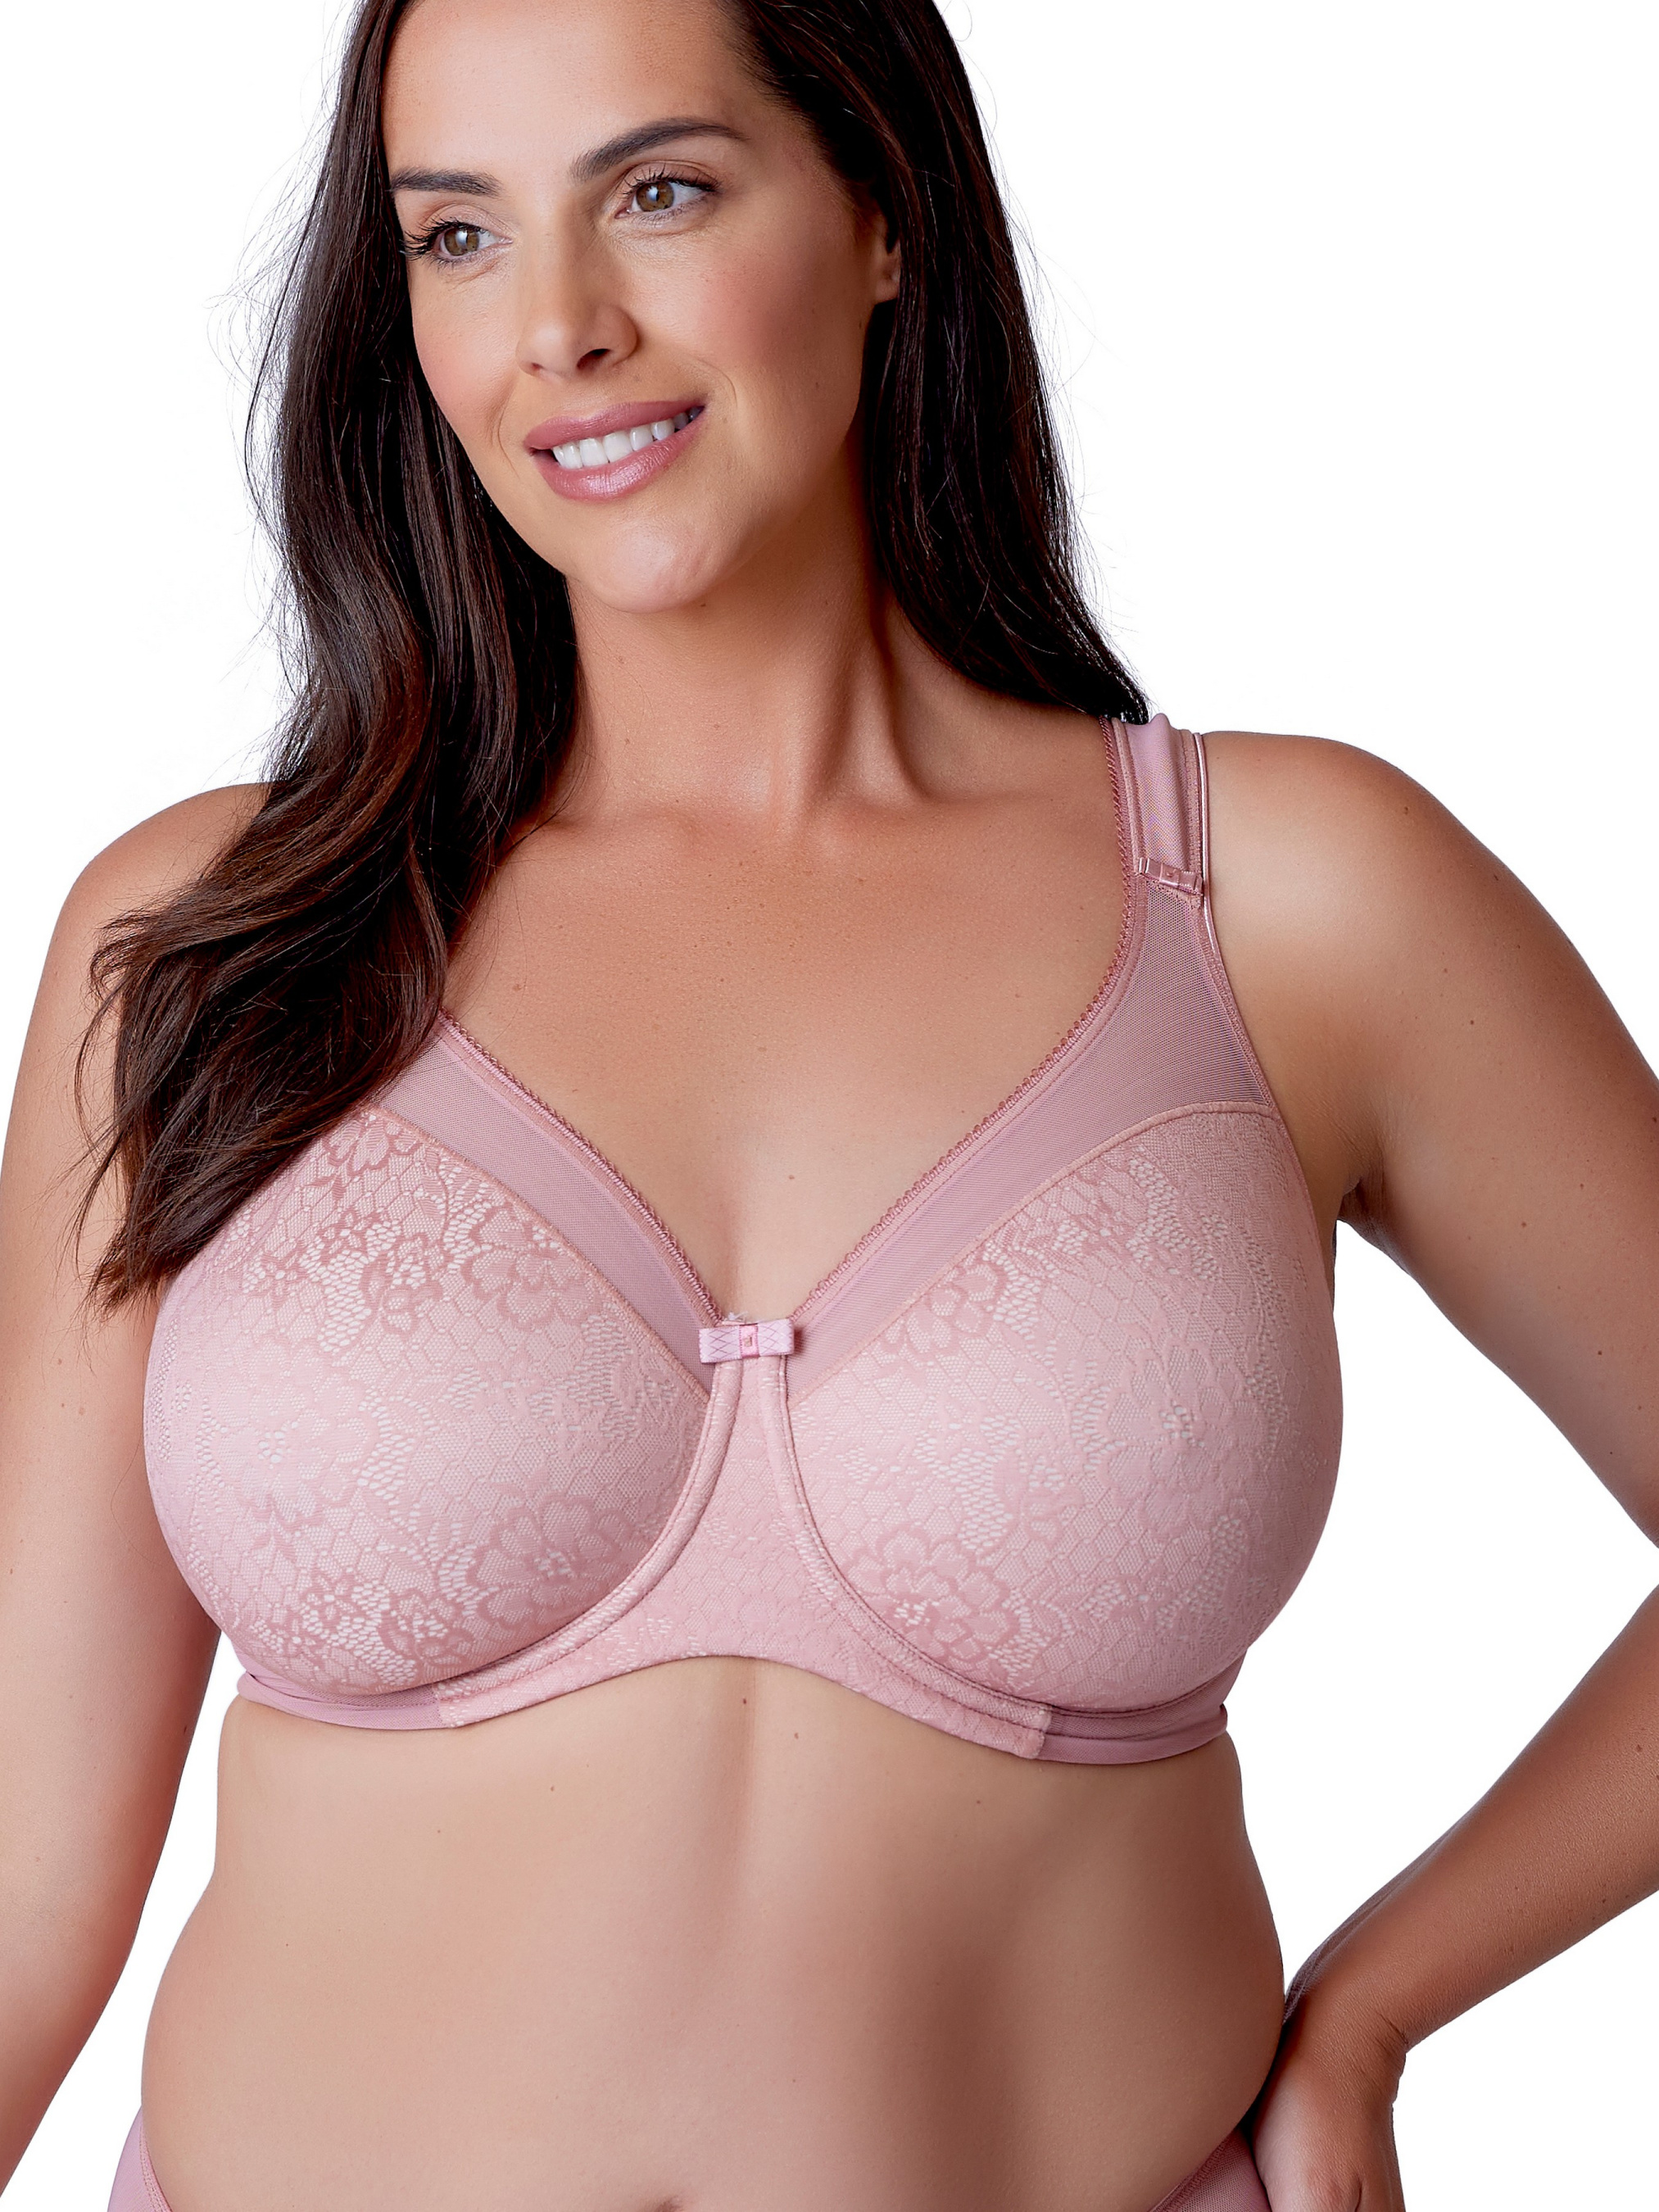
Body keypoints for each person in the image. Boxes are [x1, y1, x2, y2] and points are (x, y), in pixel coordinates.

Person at [2, 0, 1656, 2206]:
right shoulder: (209, 941)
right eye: (458, 234)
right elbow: (27, 1853)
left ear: (884, 214)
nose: (560, 325)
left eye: (659, 193)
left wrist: (1374, 2006)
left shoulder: (1287, 905)